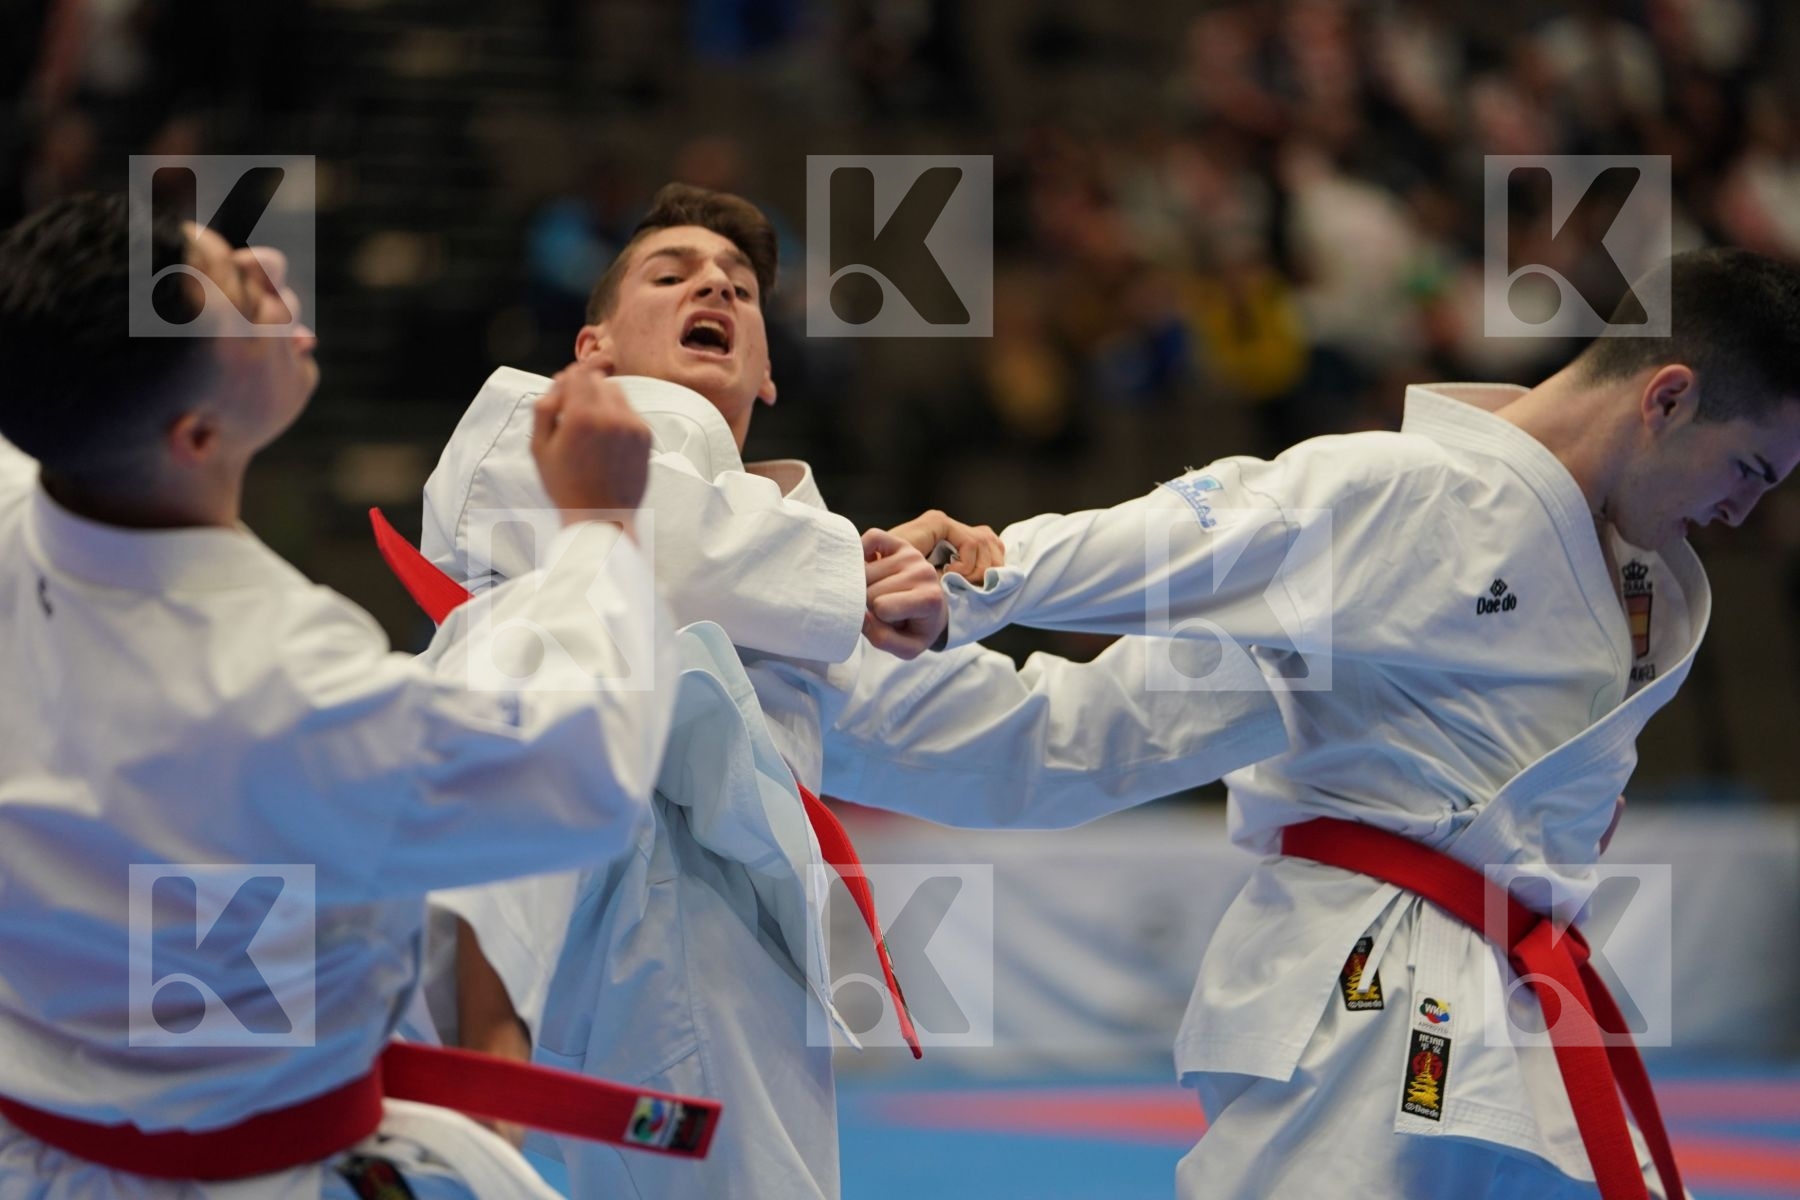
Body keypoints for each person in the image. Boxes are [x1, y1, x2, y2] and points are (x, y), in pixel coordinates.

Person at [417, 182, 1291, 1199]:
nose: (714, 284)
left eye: (740, 287)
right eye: (672, 273)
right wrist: (875, 575)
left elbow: (1038, 742)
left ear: (772, 375)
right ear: (593, 348)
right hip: (561, 893)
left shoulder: (800, 601)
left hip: (718, 942)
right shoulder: (545, 430)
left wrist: (1301, 674)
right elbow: (668, 548)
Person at [907, 248, 1800, 1198]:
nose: (1747, 510)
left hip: (1506, 1001)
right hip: (1365, 998)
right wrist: (980, 576)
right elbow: (1189, 538)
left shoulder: (1638, 575)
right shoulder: (1401, 489)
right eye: (1750, 467)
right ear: (1665, 399)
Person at [0, 192, 688, 1197]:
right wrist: (599, 525)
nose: (275, 265)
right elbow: (588, 770)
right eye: (240, 288)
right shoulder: (282, 681)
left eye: (231, 249)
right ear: (195, 436)